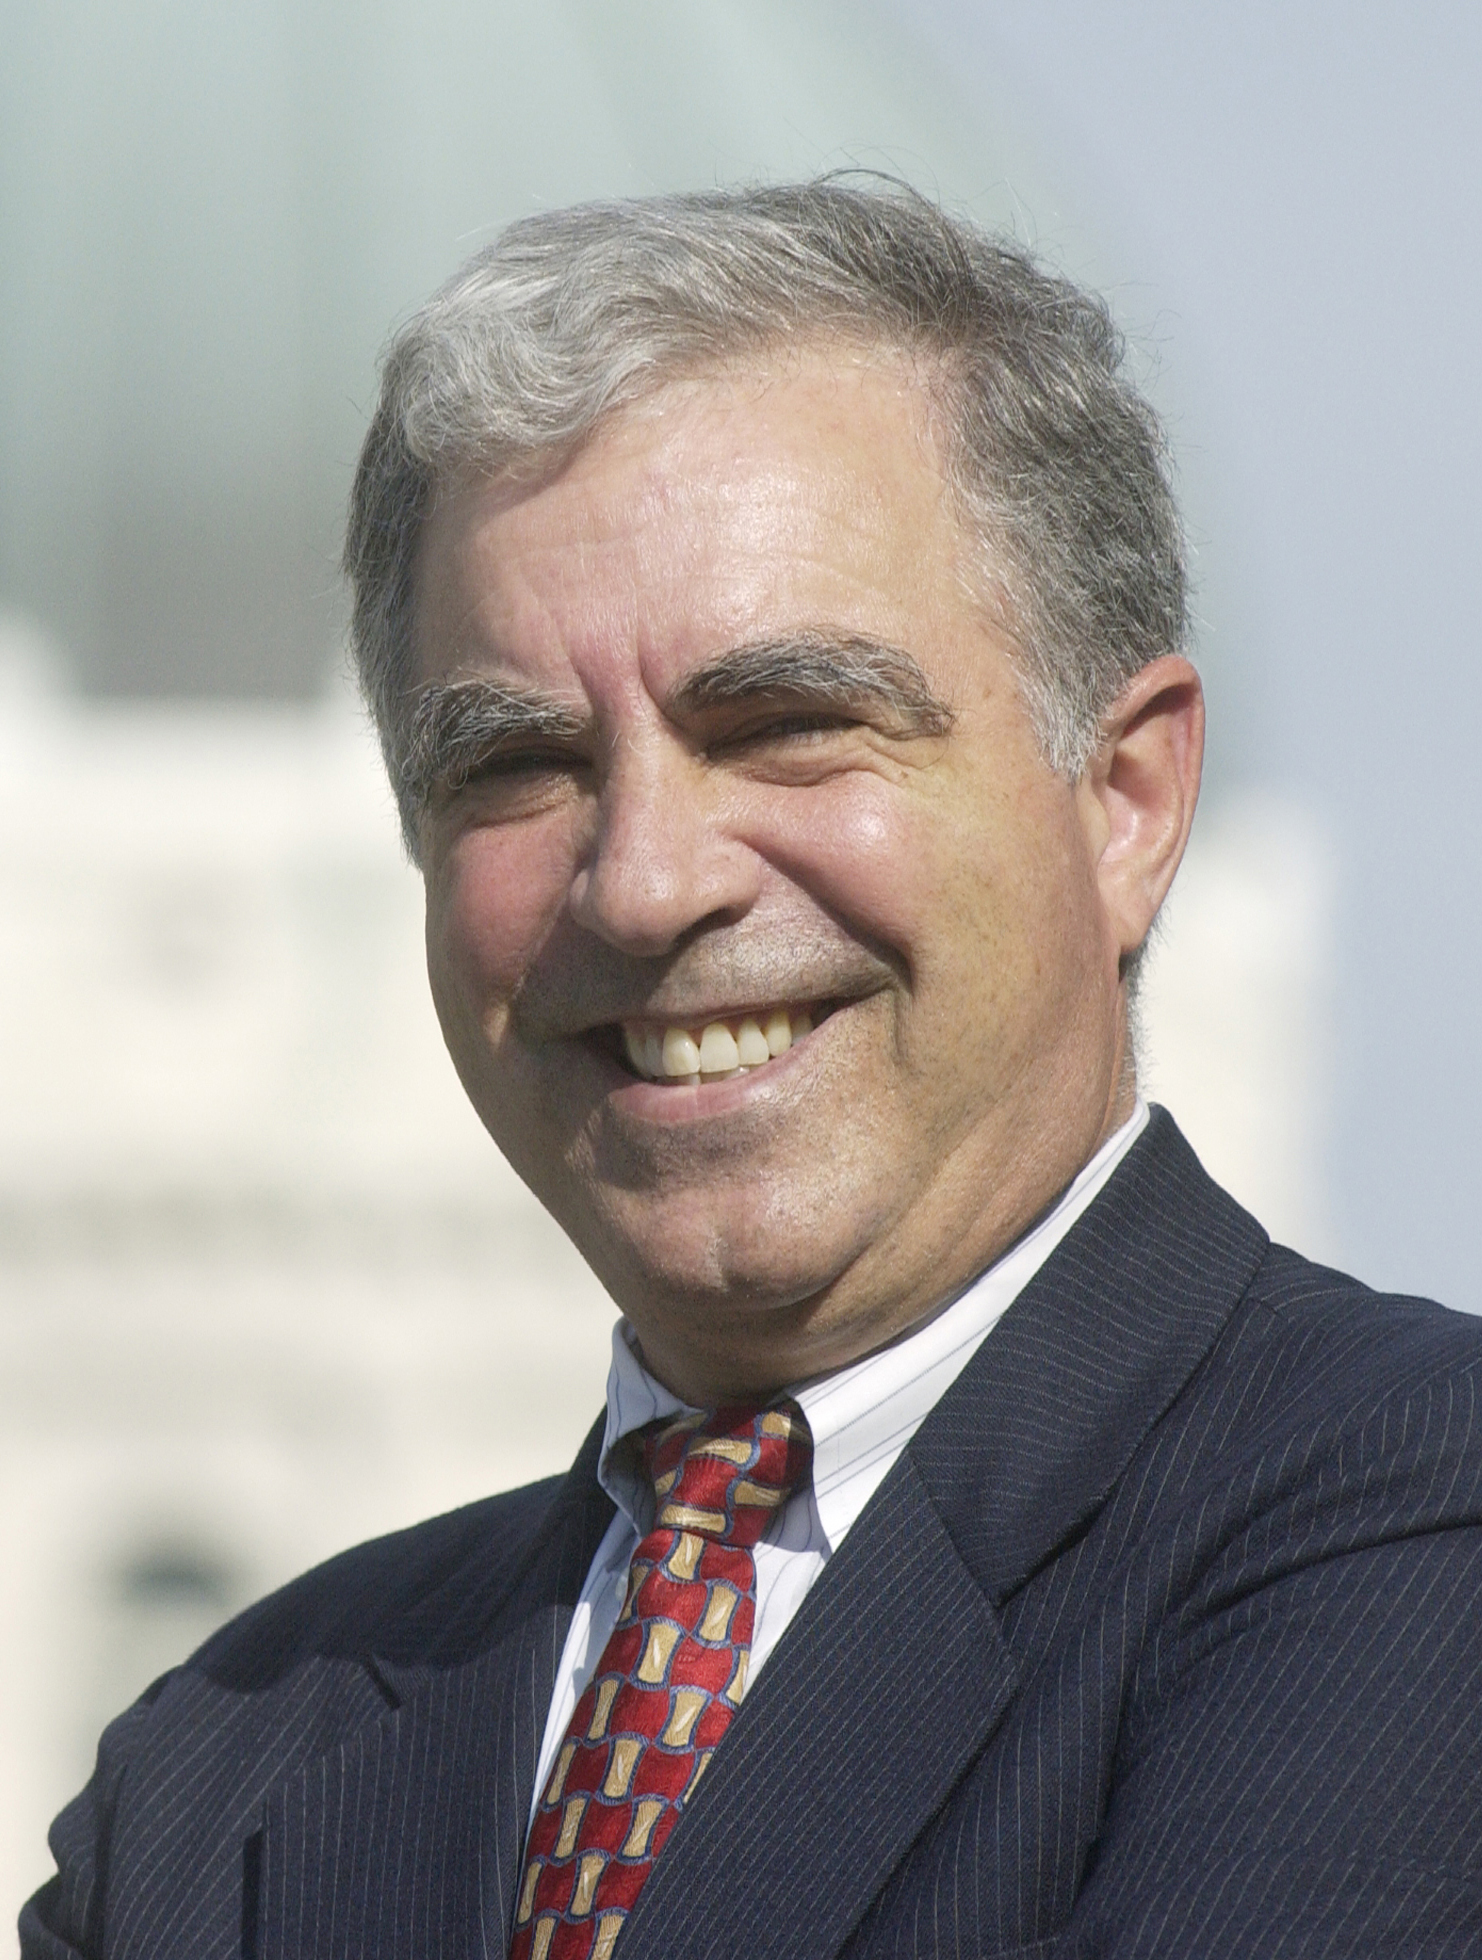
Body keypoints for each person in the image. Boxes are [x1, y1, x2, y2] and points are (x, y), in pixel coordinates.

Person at [22, 181, 1482, 1960]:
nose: (644, 883)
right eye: (519, 764)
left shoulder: (1413, 1534)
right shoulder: (224, 1773)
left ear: (1124, 800)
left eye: (786, 725)